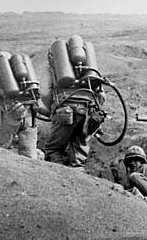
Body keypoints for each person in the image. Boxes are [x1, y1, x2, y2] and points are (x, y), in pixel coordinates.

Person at [40, 36, 106, 167]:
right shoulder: (89, 68)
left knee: (53, 150)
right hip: (89, 112)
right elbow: (101, 94)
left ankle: (58, 180)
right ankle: (77, 177)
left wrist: (51, 110)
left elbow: (45, 93)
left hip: (64, 111)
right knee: (79, 155)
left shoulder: (53, 67)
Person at [0, 51, 41, 159]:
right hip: (29, 111)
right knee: (29, 147)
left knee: (4, 145)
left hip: (10, 110)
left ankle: (2, 169)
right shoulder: (25, 70)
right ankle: (31, 169)